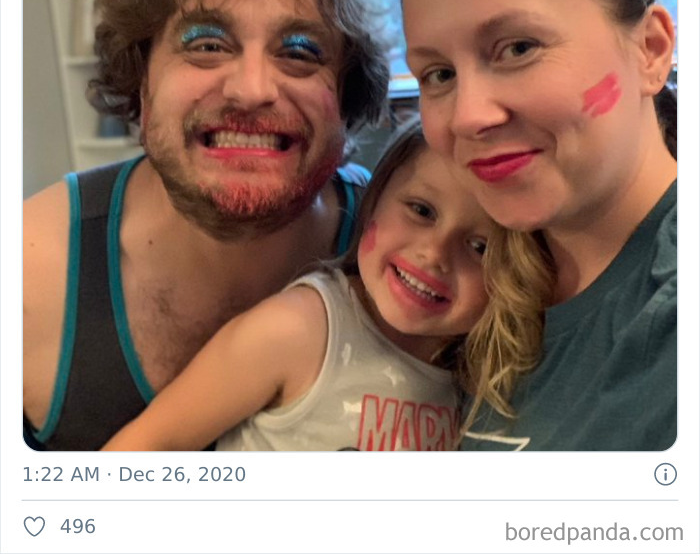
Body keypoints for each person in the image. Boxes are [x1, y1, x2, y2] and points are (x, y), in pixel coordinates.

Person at [23, 0, 389, 451]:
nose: (252, 89)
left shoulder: (412, 244)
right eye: (207, 45)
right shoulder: (27, 270)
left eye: (299, 52)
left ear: (346, 102)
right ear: (142, 86)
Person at [402, 0, 677, 451]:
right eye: (439, 75)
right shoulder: (474, 281)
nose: (468, 117)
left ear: (649, 50)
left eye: (518, 48)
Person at [103, 121, 545, 451]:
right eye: (421, 210)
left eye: (480, 247)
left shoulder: (481, 376)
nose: (435, 253)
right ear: (375, 199)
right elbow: (142, 450)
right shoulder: (296, 330)